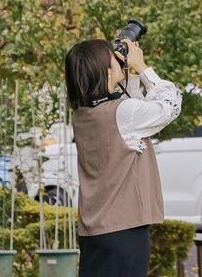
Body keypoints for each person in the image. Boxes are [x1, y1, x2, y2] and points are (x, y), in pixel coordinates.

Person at [65, 37, 182, 277]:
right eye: (114, 57)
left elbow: (129, 105)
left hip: (95, 231)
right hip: (125, 230)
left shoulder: (83, 114)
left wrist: (131, 76)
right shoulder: (122, 114)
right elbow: (170, 105)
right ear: (107, 71)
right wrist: (142, 67)